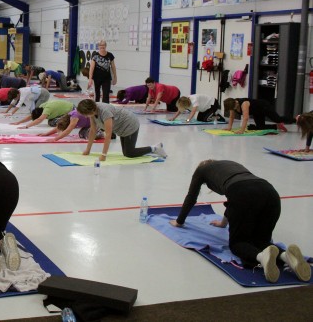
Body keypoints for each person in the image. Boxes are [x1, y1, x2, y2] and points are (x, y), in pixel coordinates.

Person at [169, 160, 310, 283]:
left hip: (242, 194)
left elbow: (191, 197)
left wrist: (179, 221)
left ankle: (261, 257)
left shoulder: (201, 170)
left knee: (238, 243)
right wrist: (224, 222)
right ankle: (286, 256)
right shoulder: (231, 165)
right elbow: (237, 197)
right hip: (270, 192)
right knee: (262, 242)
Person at [77, 99, 166, 161]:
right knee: (126, 152)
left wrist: (103, 155)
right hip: (121, 127)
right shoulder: (93, 112)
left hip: (129, 124)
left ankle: (155, 148)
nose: (85, 117)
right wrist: (87, 150)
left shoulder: (105, 112)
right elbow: (93, 131)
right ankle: (150, 149)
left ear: (91, 110)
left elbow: (108, 135)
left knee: (129, 153)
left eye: (85, 114)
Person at [223, 98, 291, 133]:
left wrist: (242, 130)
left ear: (236, 103)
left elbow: (245, 118)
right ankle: (277, 126)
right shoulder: (232, 105)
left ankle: (296, 119)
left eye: (232, 109)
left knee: (277, 119)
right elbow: (231, 116)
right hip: (257, 112)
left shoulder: (244, 104)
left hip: (264, 106)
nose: (232, 110)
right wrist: (229, 127)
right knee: (260, 127)